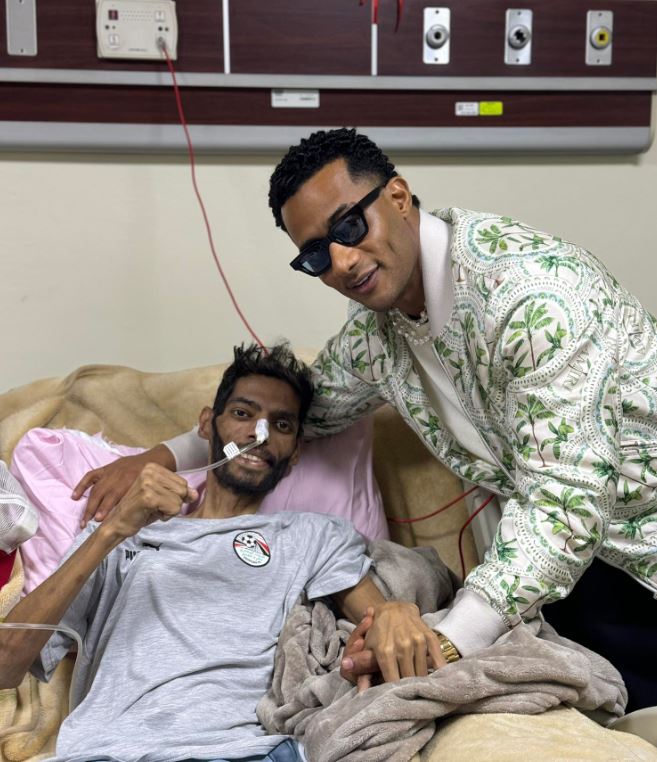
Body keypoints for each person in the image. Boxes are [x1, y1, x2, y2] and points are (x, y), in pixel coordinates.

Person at [71, 129, 657, 712]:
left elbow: (567, 503)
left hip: (634, 555)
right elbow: (299, 413)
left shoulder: (536, 298)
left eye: (350, 227)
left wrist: (450, 640)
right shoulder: (377, 332)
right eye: (316, 254)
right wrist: (166, 454)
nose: (343, 262)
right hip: (561, 573)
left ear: (398, 197)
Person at [0, 343, 443, 762]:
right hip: (113, 749)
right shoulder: (125, 535)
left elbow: (378, 617)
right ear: (206, 425)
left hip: (243, 750)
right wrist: (112, 528)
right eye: (242, 413)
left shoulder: (313, 535)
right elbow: (5, 664)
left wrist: (395, 612)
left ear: (294, 454)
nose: (258, 433)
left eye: (281, 425)